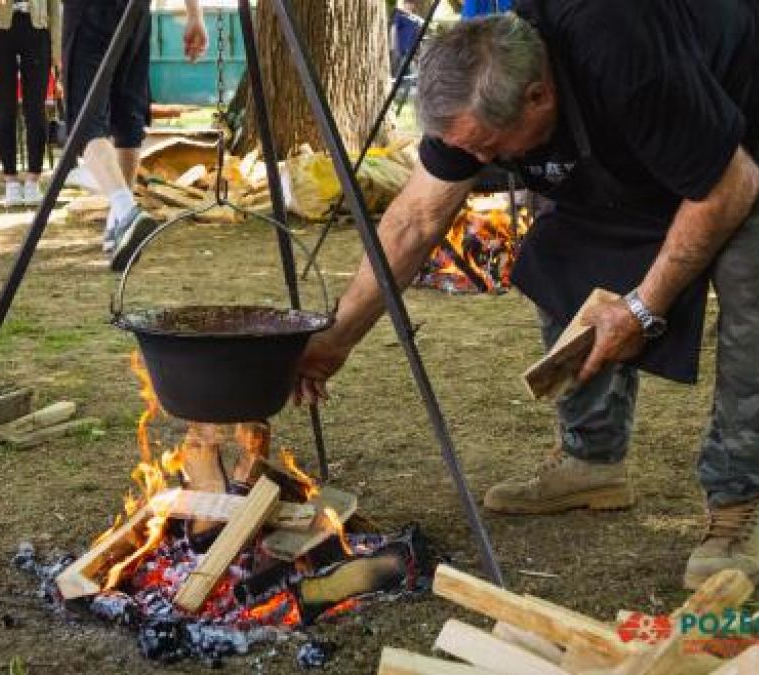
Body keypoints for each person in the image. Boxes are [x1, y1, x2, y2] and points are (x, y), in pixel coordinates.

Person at [294, 0, 759, 590]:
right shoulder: (482, 84)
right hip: (644, 139)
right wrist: (337, 338)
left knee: (753, 304)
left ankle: (740, 502)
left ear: (539, 95)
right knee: (561, 255)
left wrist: (642, 307)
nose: (485, 165)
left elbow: (728, 184)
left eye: (492, 149)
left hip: (741, 138)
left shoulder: (624, 57)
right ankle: (591, 461)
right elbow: (414, 221)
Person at [61, 0, 207, 271]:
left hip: (89, 11)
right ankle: (119, 226)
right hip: (136, 11)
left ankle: (124, 209)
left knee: (86, 123)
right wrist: (194, 13)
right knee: (127, 118)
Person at [0, 0, 61, 207]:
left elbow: (54, 6)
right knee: (5, 110)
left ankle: (33, 180)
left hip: (37, 30)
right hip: (0, 32)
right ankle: (10, 181)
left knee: (36, 110)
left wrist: (57, 48)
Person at [391, 0, 423, 75]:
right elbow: (393, 30)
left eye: (412, 4)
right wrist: (393, 46)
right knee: (405, 72)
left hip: (412, 50)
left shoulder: (415, 19)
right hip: (401, 50)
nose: (410, 5)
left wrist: (419, 48)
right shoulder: (399, 15)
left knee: (409, 73)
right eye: (408, 3)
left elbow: (418, 32)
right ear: (404, 4)